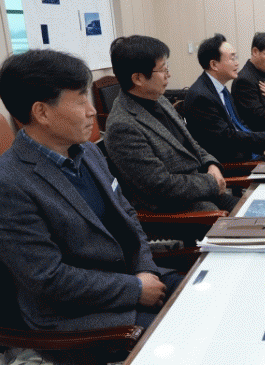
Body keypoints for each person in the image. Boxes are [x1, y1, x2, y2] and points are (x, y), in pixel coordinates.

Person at [0, 50, 181, 364]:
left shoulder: (88, 152)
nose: (92, 111)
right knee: (184, 335)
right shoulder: (10, 182)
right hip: (72, 315)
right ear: (41, 112)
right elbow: (47, 279)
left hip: (132, 278)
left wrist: (145, 270)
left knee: (208, 294)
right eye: (80, 100)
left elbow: (127, 215)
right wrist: (134, 288)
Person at [105, 35, 238, 213]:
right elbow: (160, 186)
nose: (168, 74)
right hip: (177, 209)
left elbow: (191, 144)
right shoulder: (122, 126)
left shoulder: (159, 99)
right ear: (138, 78)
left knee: (262, 213)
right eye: (162, 70)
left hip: (202, 192)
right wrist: (210, 182)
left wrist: (210, 164)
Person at [183, 34, 265, 163]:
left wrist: (259, 148)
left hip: (244, 152)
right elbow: (225, 138)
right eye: (232, 58)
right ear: (214, 64)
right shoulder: (201, 96)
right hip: (228, 163)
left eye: (236, 57)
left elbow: (239, 125)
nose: (237, 63)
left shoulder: (220, 89)